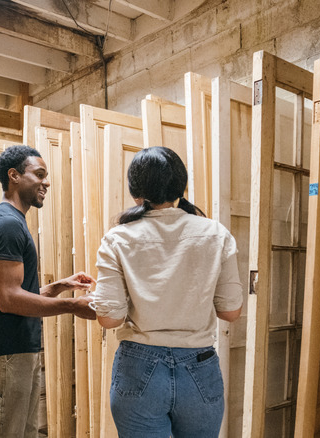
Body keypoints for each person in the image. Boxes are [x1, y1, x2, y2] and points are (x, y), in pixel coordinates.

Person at [90, 146, 244, 437]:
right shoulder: (216, 234)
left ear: (135, 191)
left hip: (138, 368)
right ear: (181, 186)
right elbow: (230, 312)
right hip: (199, 368)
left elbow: (109, 319)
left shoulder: (117, 238)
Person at [0, 145, 96, 438]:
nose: (46, 182)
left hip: (19, 348)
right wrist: (73, 306)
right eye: (39, 174)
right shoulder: (7, 224)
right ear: (14, 176)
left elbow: (17, 292)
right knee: (8, 432)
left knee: (24, 432)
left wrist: (60, 287)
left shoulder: (13, 221)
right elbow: (9, 300)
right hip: (8, 350)